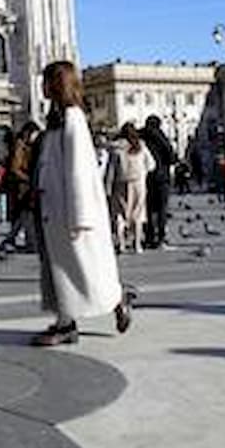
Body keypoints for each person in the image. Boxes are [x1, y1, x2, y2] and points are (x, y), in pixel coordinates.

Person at [30, 60, 132, 346]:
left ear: (58, 84)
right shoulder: (57, 120)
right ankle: (66, 323)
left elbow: (80, 170)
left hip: (70, 211)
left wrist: (81, 216)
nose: (42, 86)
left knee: (85, 269)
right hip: (54, 208)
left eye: (47, 81)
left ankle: (116, 299)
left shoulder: (73, 118)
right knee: (60, 269)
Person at [108, 122, 156, 254]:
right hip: (138, 183)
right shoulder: (140, 146)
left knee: (120, 214)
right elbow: (151, 165)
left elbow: (111, 170)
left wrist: (108, 186)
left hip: (120, 183)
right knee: (138, 213)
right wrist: (143, 172)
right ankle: (137, 244)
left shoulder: (116, 149)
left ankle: (121, 243)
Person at [0, 121, 41, 253]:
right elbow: (15, 168)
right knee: (24, 214)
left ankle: (13, 239)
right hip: (21, 187)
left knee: (22, 216)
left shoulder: (25, 146)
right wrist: (29, 180)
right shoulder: (20, 146)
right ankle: (24, 241)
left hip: (22, 186)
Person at [140, 116, 176, 249]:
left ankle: (149, 235)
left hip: (145, 177)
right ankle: (160, 236)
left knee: (148, 208)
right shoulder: (161, 137)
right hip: (161, 177)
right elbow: (171, 156)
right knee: (162, 208)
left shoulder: (140, 135)